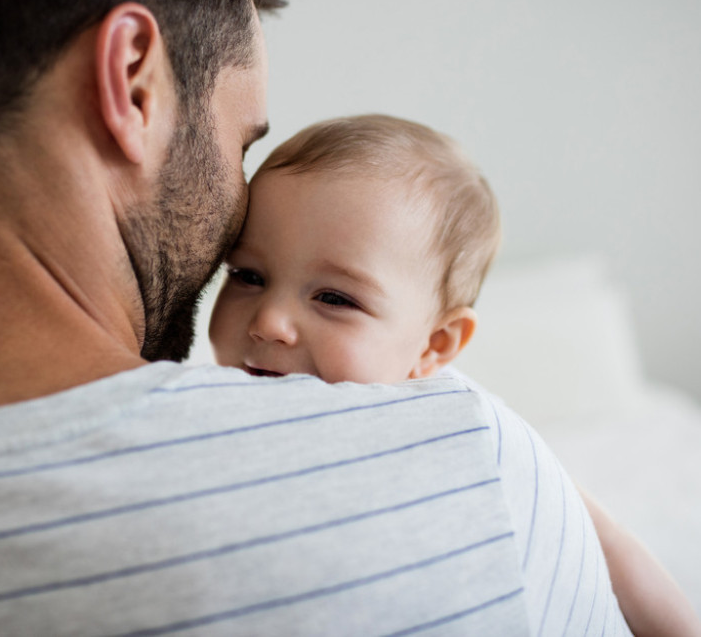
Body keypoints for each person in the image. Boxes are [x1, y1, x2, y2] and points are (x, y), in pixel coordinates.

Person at [0, 0, 631, 634]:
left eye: (337, 296)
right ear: (134, 80)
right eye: (241, 140)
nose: (237, 209)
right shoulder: (467, 461)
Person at [208, 114, 701, 636]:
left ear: (434, 345)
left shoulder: (461, 427)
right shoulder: (201, 406)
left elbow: (605, 541)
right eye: (247, 276)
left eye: (334, 298)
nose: (269, 322)